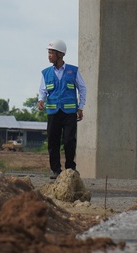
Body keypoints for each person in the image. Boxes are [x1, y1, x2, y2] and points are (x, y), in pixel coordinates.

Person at [37, 39, 87, 180]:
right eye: (49, 52)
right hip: (53, 113)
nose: (49, 55)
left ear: (60, 54)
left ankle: (70, 168)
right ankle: (56, 171)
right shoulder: (45, 73)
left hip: (69, 113)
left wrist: (81, 107)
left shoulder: (73, 71)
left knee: (69, 141)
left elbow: (82, 88)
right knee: (53, 142)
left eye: (51, 53)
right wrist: (41, 100)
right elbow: (43, 90)